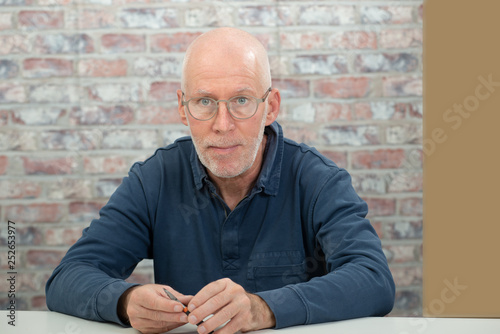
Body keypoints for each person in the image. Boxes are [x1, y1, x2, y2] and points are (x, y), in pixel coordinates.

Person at [46, 27, 395, 334]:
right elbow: (68, 277)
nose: (222, 124)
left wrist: (263, 308)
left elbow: (373, 280)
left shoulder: (318, 181)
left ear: (270, 107)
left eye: (241, 101)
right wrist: (125, 300)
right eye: (205, 102)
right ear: (183, 108)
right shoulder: (155, 178)